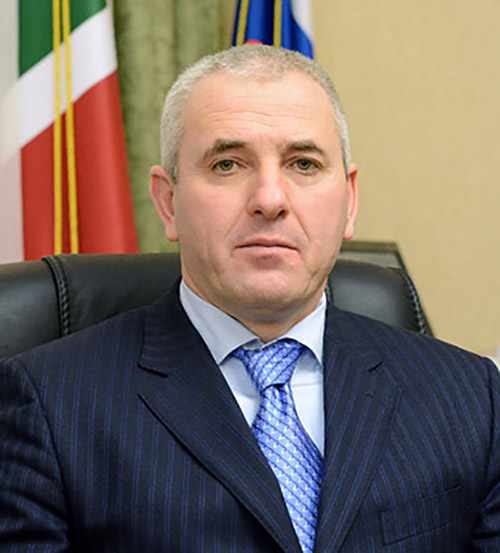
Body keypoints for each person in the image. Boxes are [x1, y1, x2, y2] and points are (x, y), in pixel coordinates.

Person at [0, 44, 499, 552]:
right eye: (227, 165)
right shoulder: (47, 407)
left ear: (349, 200)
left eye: (303, 164)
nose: (270, 199)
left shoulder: (472, 399)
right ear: (168, 202)